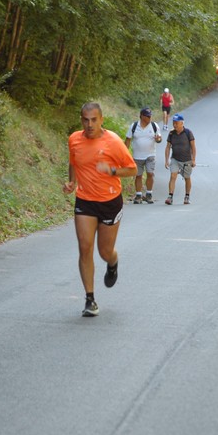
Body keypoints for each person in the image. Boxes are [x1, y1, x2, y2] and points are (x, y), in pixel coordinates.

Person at [63, 102, 137, 317]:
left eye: (94, 119)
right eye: (85, 120)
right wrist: (72, 183)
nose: (89, 124)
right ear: (81, 121)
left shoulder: (113, 142)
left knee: (104, 252)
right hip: (85, 200)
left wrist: (112, 170)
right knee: (85, 247)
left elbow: (132, 169)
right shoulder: (74, 139)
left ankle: (113, 262)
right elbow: (74, 162)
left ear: (101, 119)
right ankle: (90, 299)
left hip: (110, 202)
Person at [124, 107, 162, 204]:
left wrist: (158, 139)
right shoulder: (134, 126)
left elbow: (159, 139)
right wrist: (124, 153)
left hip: (150, 155)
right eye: (147, 116)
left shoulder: (154, 126)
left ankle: (149, 194)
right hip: (137, 156)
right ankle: (138, 195)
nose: (150, 118)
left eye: (150, 116)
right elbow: (128, 140)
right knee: (138, 175)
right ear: (141, 116)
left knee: (150, 173)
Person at [164, 113, 196, 205]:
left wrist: (193, 160)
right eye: (174, 123)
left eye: (176, 123)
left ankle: (187, 196)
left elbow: (193, 147)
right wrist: (166, 161)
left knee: (187, 178)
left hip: (187, 160)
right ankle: (170, 197)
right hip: (175, 159)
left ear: (182, 123)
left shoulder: (188, 133)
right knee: (173, 176)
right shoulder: (171, 133)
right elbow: (167, 147)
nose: (174, 125)